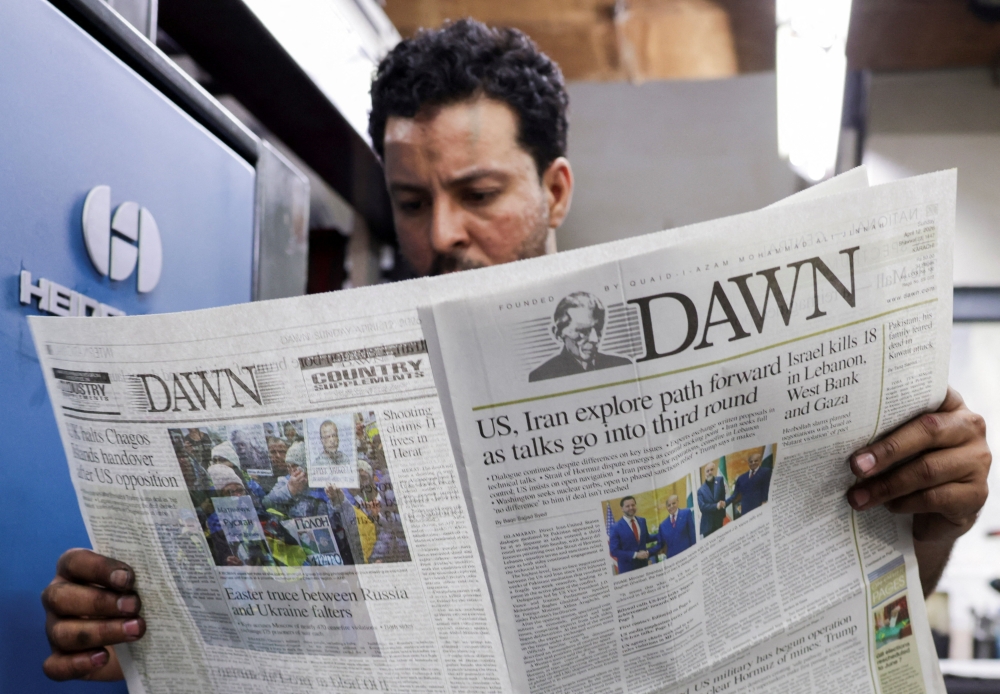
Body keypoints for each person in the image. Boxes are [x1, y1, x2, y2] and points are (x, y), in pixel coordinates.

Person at [39, 18, 991, 682]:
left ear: (557, 191)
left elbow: (851, 604)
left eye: (481, 193)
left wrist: (937, 521)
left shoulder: (691, 364)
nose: (442, 233)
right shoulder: (307, 381)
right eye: (412, 202)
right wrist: (131, 623)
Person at [528, 292, 633, 382]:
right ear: (558, 334)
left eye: (598, 329)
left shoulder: (622, 365)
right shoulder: (541, 377)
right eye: (583, 330)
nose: (594, 339)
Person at [609, 496, 654, 573]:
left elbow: (647, 538)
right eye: (627, 506)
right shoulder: (615, 527)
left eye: (633, 505)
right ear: (622, 508)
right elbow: (614, 551)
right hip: (628, 569)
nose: (631, 508)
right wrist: (635, 555)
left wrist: (662, 533)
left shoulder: (642, 521)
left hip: (644, 566)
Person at [726, 449, 772, 518]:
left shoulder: (766, 472)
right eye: (751, 462)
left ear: (759, 461)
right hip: (745, 511)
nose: (753, 463)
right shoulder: (741, 478)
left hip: (760, 508)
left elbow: (767, 488)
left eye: (756, 461)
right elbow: (735, 495)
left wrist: (765, 501)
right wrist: (724, 503)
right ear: (748, 463)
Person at [654, 495, 696, 559]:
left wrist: (695, 552)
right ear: (666, 507)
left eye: (673, 503)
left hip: (688, 556)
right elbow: (660, 544)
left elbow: (693, 535)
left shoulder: (686, 513)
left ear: (678, 502)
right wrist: (648, 552)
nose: (671, 506)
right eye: (669, 505)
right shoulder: (663, 525)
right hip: (673, 560)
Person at [698, 462, 728, 538]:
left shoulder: (720, 480)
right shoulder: (700, 490)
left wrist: (722, 505)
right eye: (707, 471)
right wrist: (716, 506)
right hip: (708, 525)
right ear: (705, 474)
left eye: (711, 470)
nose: (710, 472)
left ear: (714, 470)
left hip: (719, 521)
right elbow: (702, 507)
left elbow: (722, 498)